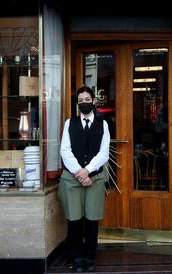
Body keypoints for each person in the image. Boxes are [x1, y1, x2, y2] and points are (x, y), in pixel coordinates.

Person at [59, 86, 110, 272]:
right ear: (77, 103)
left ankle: (90, 256)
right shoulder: (69, 123)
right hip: (73, 179)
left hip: (94, 179)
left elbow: (104, 153)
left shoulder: (102, 124)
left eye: (87, 100)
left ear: (94, 101)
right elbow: (65, 150)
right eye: (81, 101)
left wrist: (87, 171)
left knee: (91, 219)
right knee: (74, 220)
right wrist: (79, 173)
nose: (84, 103)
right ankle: (76, 256)